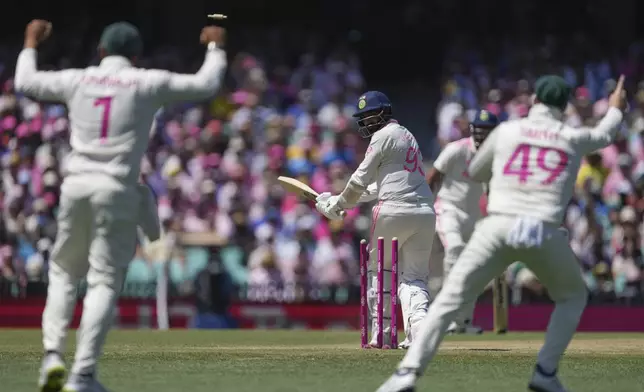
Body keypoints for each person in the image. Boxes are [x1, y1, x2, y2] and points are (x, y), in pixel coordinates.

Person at [376, 74, 628, 392]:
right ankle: (545, 372)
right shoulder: (571, 136)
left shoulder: (507, 130)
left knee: (450, 299)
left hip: (497, 226)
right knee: (573, 296)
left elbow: (478, 170)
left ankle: (406, 374)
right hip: (543, 230)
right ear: (564, 107)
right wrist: (617, 106)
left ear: (534, 100)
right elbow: (606, 133)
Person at [14, 19, 227, 392]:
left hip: (76, 186)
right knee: (104, 281)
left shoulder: (78, 79)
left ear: (100, 52)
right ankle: (82, 375)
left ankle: (51, 354)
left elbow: (26, 82)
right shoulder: (146, 81)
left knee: (63, 272)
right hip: (117, 187)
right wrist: (215, 47)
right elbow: (206, 83)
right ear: (136, 55)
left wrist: (31, 42)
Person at [315, 91, 435, 349]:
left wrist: (336, 206)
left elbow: (360, 180)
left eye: (371, 115)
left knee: (379, 270)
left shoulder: (381, 137)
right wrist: (338, 200)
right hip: (425, 211)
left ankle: (381, 333)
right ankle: (421, 329)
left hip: (393, 211)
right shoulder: (407, 135)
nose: (367, 121)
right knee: (414, 278)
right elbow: (378, 187)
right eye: (364, 117)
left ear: (384, 113)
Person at [426, 109, 499, 334]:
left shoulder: (496, 155)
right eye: (479, 130)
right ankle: (445, 316)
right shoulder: (456, 149)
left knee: (472, 267)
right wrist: (425, 206)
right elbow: (433, 176)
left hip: (473, 217)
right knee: (455, 250)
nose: (482, 135)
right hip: (447, 209)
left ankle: (462, 322)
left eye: (488, 131)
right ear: (472, 130)